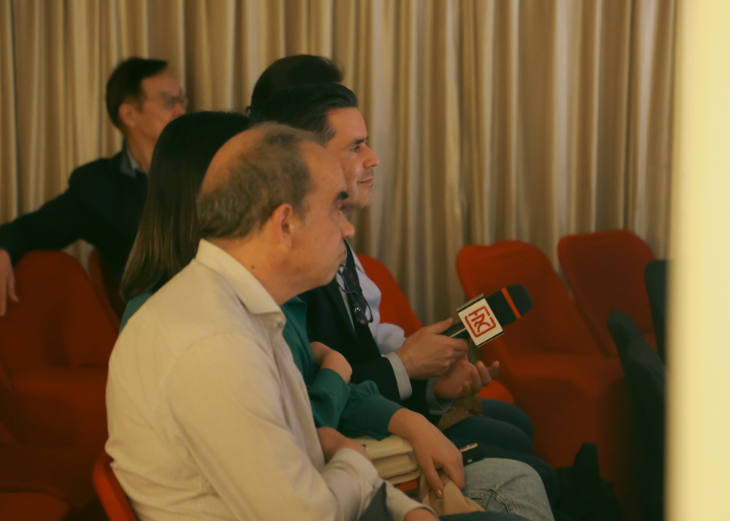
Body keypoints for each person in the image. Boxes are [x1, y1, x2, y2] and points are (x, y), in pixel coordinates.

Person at [117, 112, 554, 521]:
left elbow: (314, 454)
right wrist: (350, 457)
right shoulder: (214, 344)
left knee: (518, 484)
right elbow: (305, 509)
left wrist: (405, 507)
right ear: (285, 224)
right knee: (517, 487)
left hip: (340, 500)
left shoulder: (247, 309)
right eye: (335, 208)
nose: (348, 229)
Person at [249, 82, 559, 500]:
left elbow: (365, 354)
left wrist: (431, 384)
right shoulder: (291, 275)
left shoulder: (339, 247)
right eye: (356, 146)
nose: (373, 158)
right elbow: (317, 407)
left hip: (379, 419)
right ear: (310, 160)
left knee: (520, 437)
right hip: (355, 450)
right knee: (528, 473)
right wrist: (407, 365)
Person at [0, 57, 186, 315]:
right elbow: (32, 229)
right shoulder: (98, 187)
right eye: (169, 101)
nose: (181, 111)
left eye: (181, 99)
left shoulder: (204, 166)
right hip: (155, 319)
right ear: (129, 114)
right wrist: (3, 248)